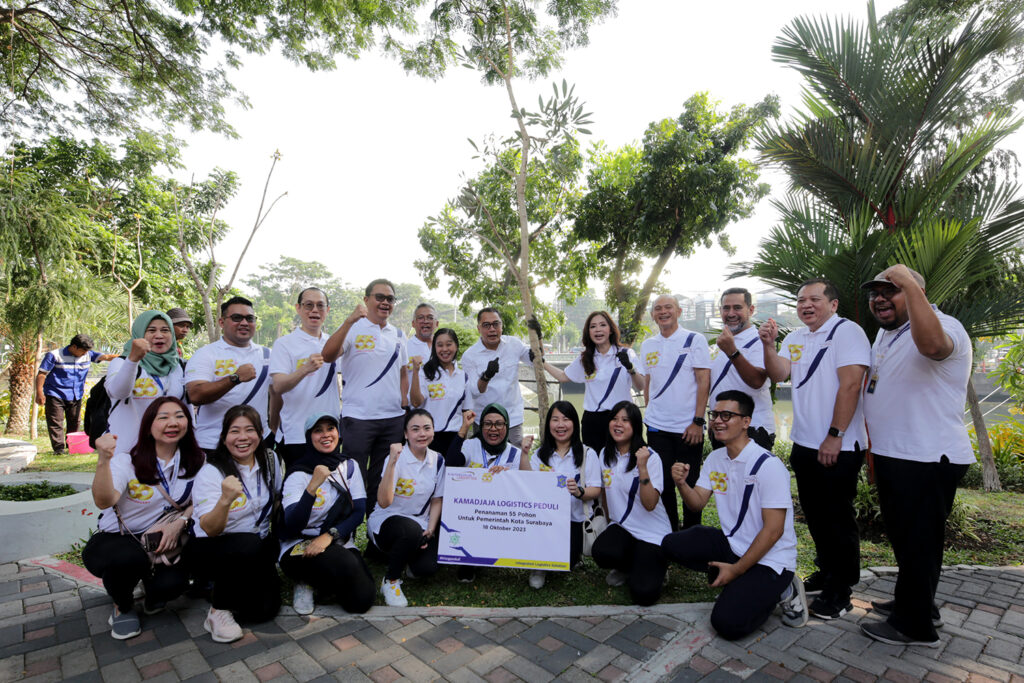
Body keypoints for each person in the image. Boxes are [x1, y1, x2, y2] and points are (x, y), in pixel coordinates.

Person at [859, 265, 973, 647]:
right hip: (896, 455)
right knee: (908, 541)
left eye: (890, 290)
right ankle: (917, 604)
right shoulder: (887, 334)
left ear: (917, 293)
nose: (880, 298)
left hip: (927, 456)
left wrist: (908, 281)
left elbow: (933, 348)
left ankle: (914, 626)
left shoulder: (945, 325)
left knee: (920, 541)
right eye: (875, 292)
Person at [760, 277, 870, 621]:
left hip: (838, 445)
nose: (806, 305)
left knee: (838, 519)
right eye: (801, 300)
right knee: (817, 517)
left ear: (833, 304)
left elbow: (851, 384)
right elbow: (780, 373)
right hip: (805, 443)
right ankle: (826, 573)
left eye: (814, 299)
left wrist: (835, 435)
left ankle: (841, 591)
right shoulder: (795, 337)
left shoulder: (846, 332)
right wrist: (768, 345)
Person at [661, 390, 808, 640]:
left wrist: (737, 570)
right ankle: (743, 584)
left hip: (771, 558)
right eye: (715, 414)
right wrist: (682, 483)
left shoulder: (768, 466)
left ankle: (783, 588)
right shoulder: (716, 458)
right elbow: (696, 504)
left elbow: (774, 531)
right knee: (671, 544)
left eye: (727, 415)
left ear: (746, 421)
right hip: (733, 544)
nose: (718, 420)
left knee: (727, 623)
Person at [82, 397, 204, 639]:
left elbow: (199, 503)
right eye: (163, 417)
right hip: (118, 540)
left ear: (188, 424)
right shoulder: (126, 461)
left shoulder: (196, 462)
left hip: (163, 539)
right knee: (128, 559)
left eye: (180, 416)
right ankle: (122, 606)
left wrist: (180, 523)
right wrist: (103, 460)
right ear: (148, 424)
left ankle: (151, 591)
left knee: (173, 586)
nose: (173, 423)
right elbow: (104, 501)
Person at [187, 405, 283, 642]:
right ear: (224, 437)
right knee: (246, 544)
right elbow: (210, 528)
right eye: (234, 431)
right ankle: (217, 610)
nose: (242, 438)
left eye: (250, 430)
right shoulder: (211, 472)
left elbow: (277, 498)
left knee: (264, 611)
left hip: (254, 547)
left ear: (260, 434)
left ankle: (231, 591)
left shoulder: (270, 461)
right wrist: (225, 500)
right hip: (211, 547)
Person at [322, 278, 409, 516]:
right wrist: (349, 320)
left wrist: (404, 404)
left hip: (392, 420)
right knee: (352, 479)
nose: (385, 303)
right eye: (379, 297)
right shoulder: (352, 329)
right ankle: (346, 533)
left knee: (382, 479)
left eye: (390, 299)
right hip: (358, 418)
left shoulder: (400, 335)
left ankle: (374, 531)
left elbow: (403, 374)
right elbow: (328, 355)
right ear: (366, 300)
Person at [278, 413, 375, 615]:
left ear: (338, 434)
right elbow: (293, 524)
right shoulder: (298, 473)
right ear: (308, 437)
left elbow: (358, 513)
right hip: (298, 545)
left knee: (362, 600)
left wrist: (329, 535)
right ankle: (303, 581)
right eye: (318, 430)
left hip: (335, 540)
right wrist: (312, 487)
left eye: (330, 428)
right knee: (345, 563)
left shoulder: (349, 466)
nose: (326, 435)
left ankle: (323, 584)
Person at [640, 295, 711, 530]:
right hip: (657, 428)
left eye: (668, 307)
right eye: (657, 309)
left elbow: (703, 381)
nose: (663, 312)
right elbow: (649, 381)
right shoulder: (648, 345)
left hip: (687, 428)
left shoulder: (694, 340)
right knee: (664, 484)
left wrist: (698, 421)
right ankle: (670, 530)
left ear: (678, 311)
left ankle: (692, 534)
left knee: (690, 482)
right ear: (653, 315)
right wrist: (650, 411)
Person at [591, 400, 671, 606]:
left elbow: (651, 503)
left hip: (651, 533)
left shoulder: (650, 457)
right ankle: (629, 566)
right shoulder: (605, 455)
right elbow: (606, 495)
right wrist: (610, 526)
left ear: (635, 426)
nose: (618, 424)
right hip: (624, 527)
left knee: (644, 594)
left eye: (625, 420)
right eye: (615, 419)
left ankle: (657, 566)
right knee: (601, 551)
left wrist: (642, 468)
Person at [446, 402, 532, 583]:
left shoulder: (515, 454)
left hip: (500, 513)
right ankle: (467, 562)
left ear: (507, 427)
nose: (493, 429)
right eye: (488, 424)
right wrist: (464, 428)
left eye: (499, 424)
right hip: (471, 513)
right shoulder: (471, 445)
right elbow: (452, 463)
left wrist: (509, 476)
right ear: (482, 426)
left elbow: (527, 488)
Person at [367, 409, 445, 607]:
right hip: (387, 520)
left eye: (427, 428)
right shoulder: (396, 457)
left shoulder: (438, 460)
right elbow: (384, 502)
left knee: (427, 568)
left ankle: (407, 555)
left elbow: (437, 500)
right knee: (409, 531)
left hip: (420, 523)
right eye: (415, 429)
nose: (422, 434)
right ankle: (390, 581)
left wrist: (431, 529)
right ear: (406, 434)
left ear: (434, 431)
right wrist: (392, 462)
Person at [521, 401, 601, 589]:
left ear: (574, 423)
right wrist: (524, 454)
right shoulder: (540, 454)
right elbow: (528, 481)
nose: (560, 425)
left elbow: (596, 489)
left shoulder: (588, 454)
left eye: (566, 419)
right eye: (555, 419)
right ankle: (538, 566)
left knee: (566, 563)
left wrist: (579, 492)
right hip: (545, 520)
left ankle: (571, 556)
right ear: (548, 424)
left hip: (574, 521)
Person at [542, 312, 645, 453]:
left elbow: (641, 386)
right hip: (593, 420)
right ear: (588, 332)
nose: (598, 330)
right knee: (594, 465)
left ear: (610, 329)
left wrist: (630, 368)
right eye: (593, 326)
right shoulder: (586, 358)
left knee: (622, 461)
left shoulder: (626, 353)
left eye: (603, 325)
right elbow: (563, 377)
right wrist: (542, 362)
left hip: (620, 419)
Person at [185, 297, 271, 453]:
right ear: (221, 322)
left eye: (250, 318)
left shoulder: (267, 355)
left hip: (256, 444)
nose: (244, 323)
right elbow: (195, 395)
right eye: (237, 318)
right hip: (213, 444)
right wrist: (235, 378)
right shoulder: (206, 354)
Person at [269, 287, 340, 467]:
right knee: (298, 488)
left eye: (320, 306)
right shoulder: (284, 344)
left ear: (327, 311)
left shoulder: (333, 343)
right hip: (297, 434)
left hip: (329, 434)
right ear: (298, 308)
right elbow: (277, 386)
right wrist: (305, 369)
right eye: (308, 305)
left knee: (328, 490)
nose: (314, 310)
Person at [105, 310, 186, 452]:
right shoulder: (121, 363)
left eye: (165, 330)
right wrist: (133, 360)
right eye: (151, 330)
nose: (159, 335)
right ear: (139, 333)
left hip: (168, 453)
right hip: (128, 452)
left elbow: (187, 408)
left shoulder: (179, 366)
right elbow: (118, 392)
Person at [708, 289, 775, 450]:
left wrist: (732, 351)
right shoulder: (723, 340)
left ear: (750, 310)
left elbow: (757, 381)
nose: (731, 313)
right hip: (721, 427)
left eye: (737, 307)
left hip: (751, 429)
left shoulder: (760, 340)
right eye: (726, 308)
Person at [460, 308, 533, 446]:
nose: (492, 329)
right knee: (484, 460)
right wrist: (486, 376)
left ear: (501, 325)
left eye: (496, 324)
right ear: (479, 328)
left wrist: (538, 339)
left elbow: (535, 361)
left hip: (512, 417)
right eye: (486, 325)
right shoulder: (469, 356)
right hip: (484, 420)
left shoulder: (514, 344)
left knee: (515, 458)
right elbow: (475, 391)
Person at [36, 334, 117, 454]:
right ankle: (58, 449)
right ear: (74, 347)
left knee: (75, 421)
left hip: (75, 394)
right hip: (55, 393)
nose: (85, 353)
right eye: (83, 350)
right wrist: (39, 393)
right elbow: (42, 374)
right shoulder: (54, 355)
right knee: (56, 422)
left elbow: (107, 357)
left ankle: (72, 446)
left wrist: (129, 357)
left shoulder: (88, 355)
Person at [409, 328, 468, 456]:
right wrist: (415, 371)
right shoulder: (426, 372)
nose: (445, 349)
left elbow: (466, 411)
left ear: (456, 346)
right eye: (440, 345)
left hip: (455, 437)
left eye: (449, 344)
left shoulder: (463, 376)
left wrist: (462, 435)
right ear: (434, 348)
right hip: (429, 437)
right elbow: (415, 402)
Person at [406, 303, 438, 404]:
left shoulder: (444, 348)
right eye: (420, 318)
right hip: (415, 409)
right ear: (413, 323)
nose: (425, 321)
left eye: (430, 317)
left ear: (436, 323)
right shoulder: (405, 348)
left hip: (441, 407)